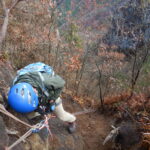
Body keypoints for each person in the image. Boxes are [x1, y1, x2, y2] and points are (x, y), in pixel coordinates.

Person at [7, 62, 76, 133]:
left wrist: (53, 99)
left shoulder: (46, 81)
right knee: (32, 114)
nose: (36, 93)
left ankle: (72, 120)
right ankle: (39, 116)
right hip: (40, 97)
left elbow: (61, 83)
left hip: (49, 94)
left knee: (62, 116)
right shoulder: (16, 86)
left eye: (36, 94)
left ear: (33, 89)